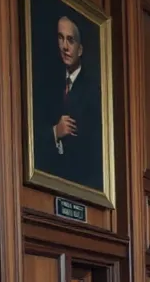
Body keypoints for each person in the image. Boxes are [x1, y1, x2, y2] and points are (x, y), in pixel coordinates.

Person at [37, 14, 103, 190]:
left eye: (70, 40)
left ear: (80, 49)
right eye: (61, 38)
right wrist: (55, 132)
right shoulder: (48, 85)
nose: (64, 47)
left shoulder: (93, 90)